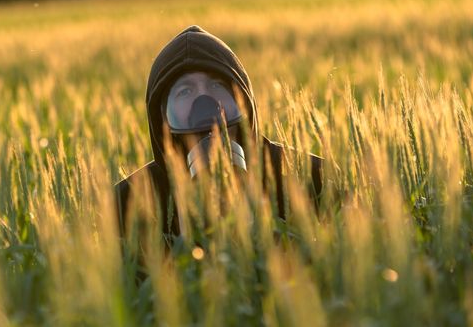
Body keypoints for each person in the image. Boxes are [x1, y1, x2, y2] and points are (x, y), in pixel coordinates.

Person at [115, 25, 322, 239]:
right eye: (185, 91)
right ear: (161, 115)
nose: (204, 103)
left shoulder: (310, 177)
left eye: (217, 86)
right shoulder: (128, 205)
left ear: (243, 100)